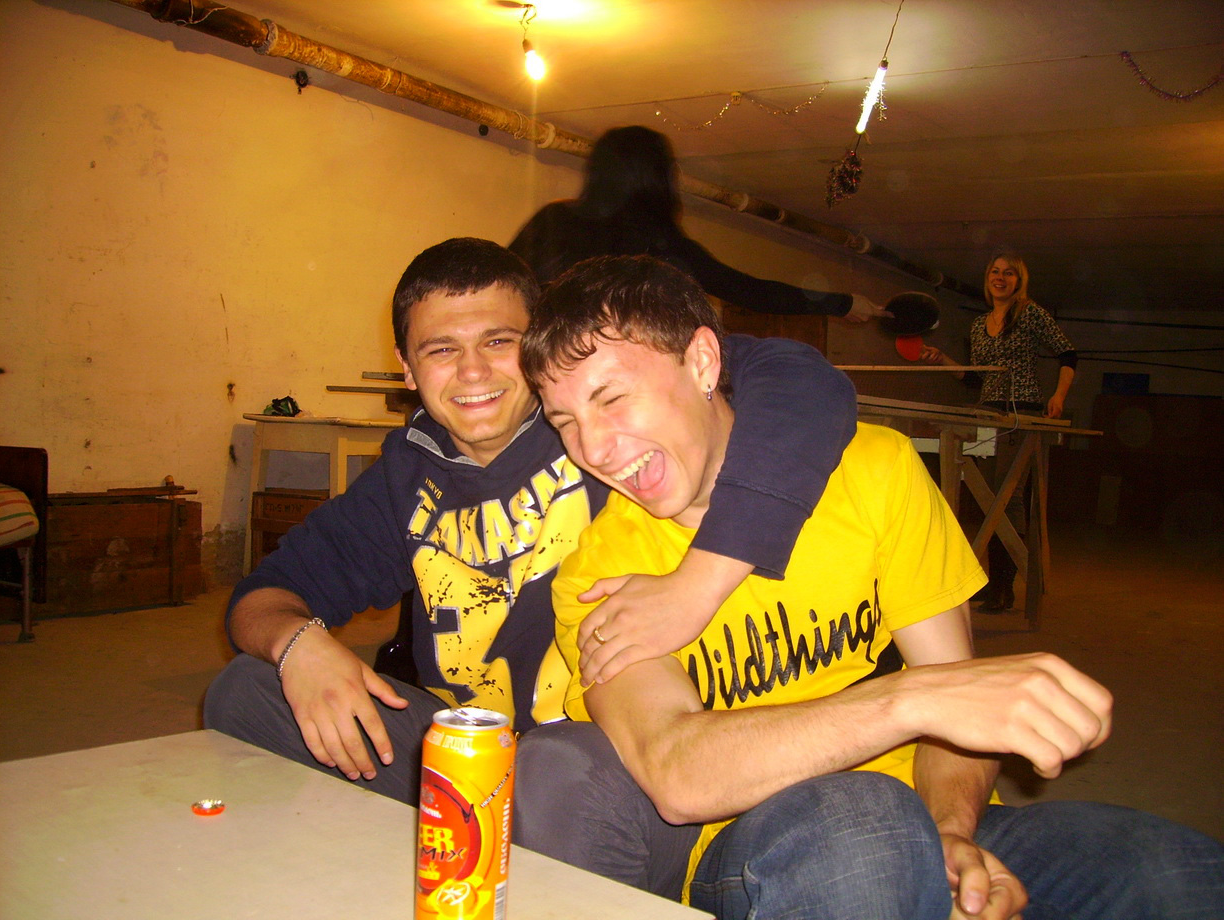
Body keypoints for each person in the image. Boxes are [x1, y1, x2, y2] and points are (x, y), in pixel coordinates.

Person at [520, 254, 1224, 920]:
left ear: (703, 361)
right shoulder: (599, 572)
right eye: (566, 422)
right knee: (860, 818)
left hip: (932, 810)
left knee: (1176, 872)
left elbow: (959, 713)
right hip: (756, 849)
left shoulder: (876, 471)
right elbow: (678, 775)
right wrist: (910, 701)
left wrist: (951, 835)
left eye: (611, 398)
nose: (593, 449)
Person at [203, 237, 858, 897]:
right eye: (441, 350)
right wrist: (299, 645)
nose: (472, 372)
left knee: (558, 772)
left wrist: (700, 582)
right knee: (247, 690)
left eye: (498, 342)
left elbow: (801, 379)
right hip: (467, 760)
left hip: (604, 764)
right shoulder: (404, 477)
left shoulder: (594, 430)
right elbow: (263, 597)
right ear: (406, 368)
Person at [509, 124, 887, 322]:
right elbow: (749, 290)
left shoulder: (553, 219)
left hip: (541, 367)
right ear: (657, 177)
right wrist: (842, 303)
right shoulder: (659, 244)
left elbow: (502, 285)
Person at [920, 251, 1077, 610]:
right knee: (985, 496)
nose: (1000, 278)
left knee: (1007, 497)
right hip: (987, 412)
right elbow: (976, 378)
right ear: (988, 278)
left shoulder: (1030, 313)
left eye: (1009, 273)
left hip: (1020, 412)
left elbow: (1067, 353)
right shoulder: (979, 325)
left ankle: (1004, 587)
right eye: (995, 272)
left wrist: (1059, 396)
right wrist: (942, 359)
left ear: (1019, 281)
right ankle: (990, 582)